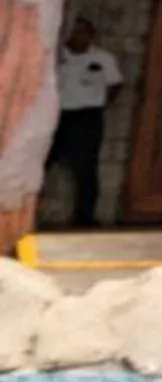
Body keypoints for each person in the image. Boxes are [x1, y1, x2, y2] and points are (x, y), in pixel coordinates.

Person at [49, 19, 124, 229]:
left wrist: (101, 104)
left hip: (86, 118)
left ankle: (85, 219)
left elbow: (115, 84)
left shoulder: (102, 58)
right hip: (57, 115)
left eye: (84, 33)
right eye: (75, 32)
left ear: (91, 36)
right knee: (42, 163)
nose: (79, 37)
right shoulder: (57, 55)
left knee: (86, 170)